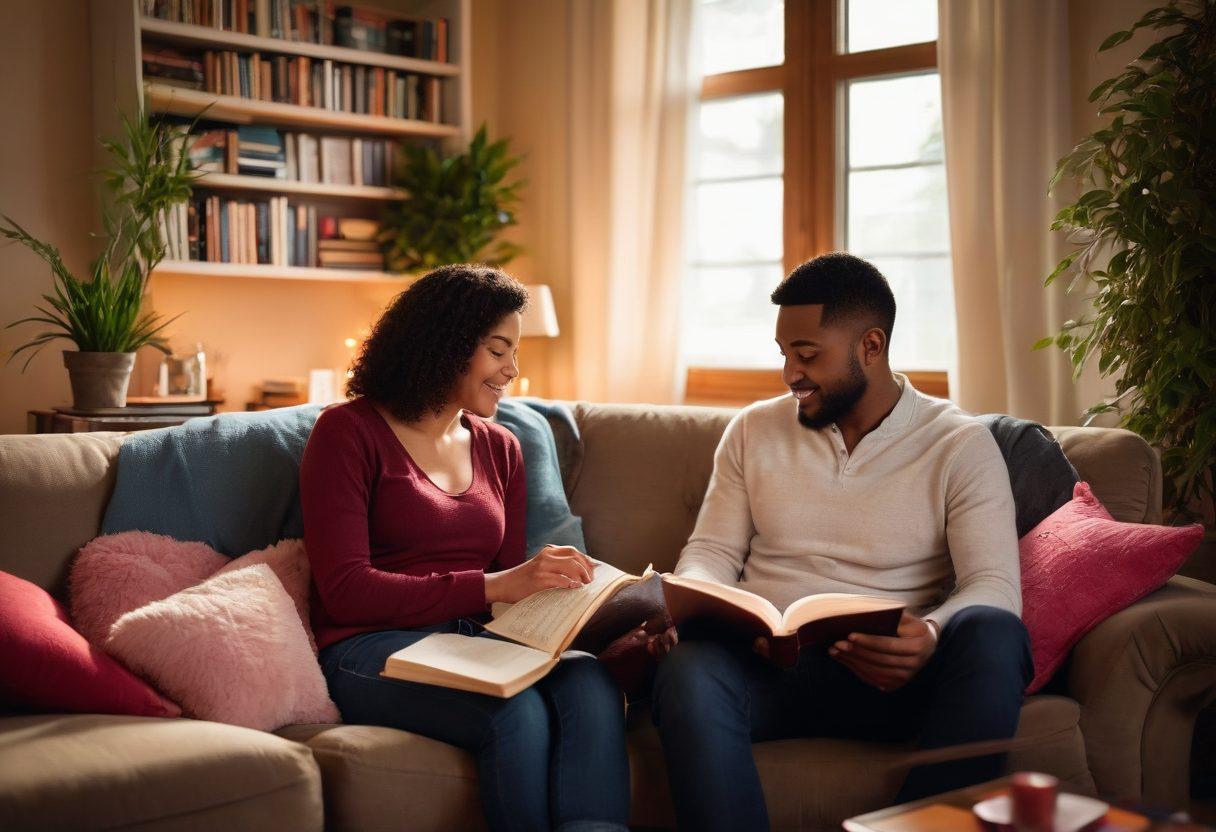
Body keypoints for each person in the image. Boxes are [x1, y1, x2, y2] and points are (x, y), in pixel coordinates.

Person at [648, 253, 1032, 831]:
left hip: (892, 682)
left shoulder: (959, 444)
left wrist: (929, 634)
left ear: (871, 346)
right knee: (688, 665)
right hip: (767, 668)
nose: (790, 374)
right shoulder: (752, 429)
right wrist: (698, 601)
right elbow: (713, 553)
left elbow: (993, 584)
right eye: (784, 354)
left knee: (996, 634)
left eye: (807, 355)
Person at [300, 264, 630, 832]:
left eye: (514, 353)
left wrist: (594, 616)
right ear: (445, 345)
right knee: (513, 709)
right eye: (498, 350)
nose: (512, 370)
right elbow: (346, 591)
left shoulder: (502, 447)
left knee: (588, 680)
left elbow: (506, 593)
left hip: (472, 641)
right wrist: (496, 585)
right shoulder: (347, 433)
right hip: (369, 647)